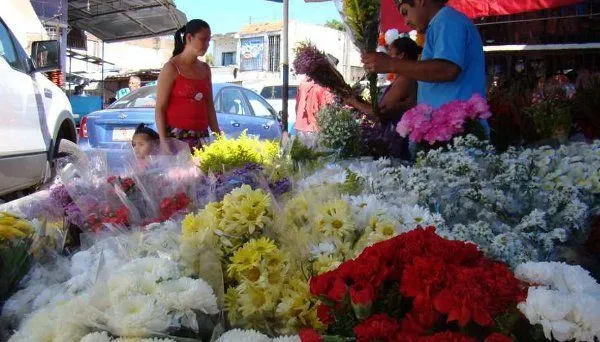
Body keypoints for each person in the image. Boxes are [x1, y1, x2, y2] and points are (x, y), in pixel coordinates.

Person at [362, 0, 489, 137]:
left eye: (405, 13)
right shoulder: (438, 25)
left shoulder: (447, 20)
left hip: (460, 132)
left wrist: (390, 64)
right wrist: (402, 107)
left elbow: (447, 69)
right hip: (444, 134)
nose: (406, 22)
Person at [344, 37, 421, 158]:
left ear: (401, 55)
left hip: (396, 142)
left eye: (390, 51)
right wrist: (359, 101)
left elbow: (378, 113)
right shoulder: (402, 78)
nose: (387, 55)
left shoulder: (405, 80)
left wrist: (353, 102)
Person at [155, 19, 221, 152]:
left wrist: (218, 138)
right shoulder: (171, 68)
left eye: (209, 40)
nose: (207, 44)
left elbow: (209, 107)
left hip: (203, 138)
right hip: (176, 139)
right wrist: (163, 142)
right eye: (203, 39)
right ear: (189, 38)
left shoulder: (205, 69)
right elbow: (160, 108)